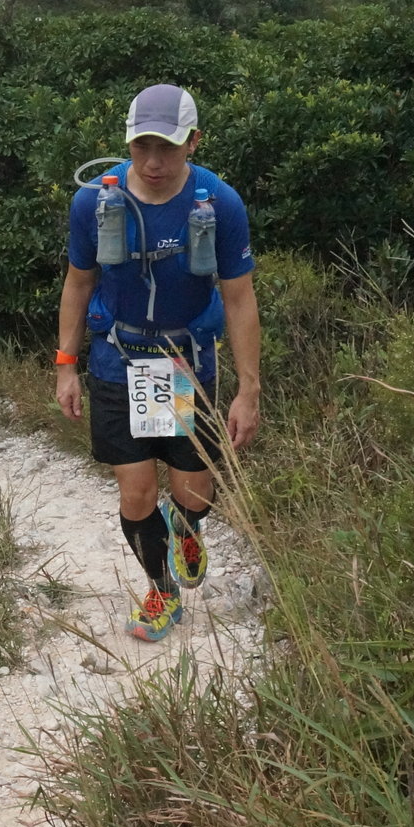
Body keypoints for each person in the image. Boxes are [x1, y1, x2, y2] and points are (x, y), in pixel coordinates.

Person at [55, 84, 261, 641]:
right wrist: (66, 364)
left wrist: (248, 390)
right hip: (118, 361)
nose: (152, 161)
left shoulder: (218, 203)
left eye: (167, 147)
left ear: (193, 142)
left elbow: (239, 298)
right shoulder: (94, 202)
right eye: (141, 146)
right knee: (137, 492)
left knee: (193, 492)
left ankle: (186, 528)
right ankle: (161, 591)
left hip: (183, 365)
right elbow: (78, 283)